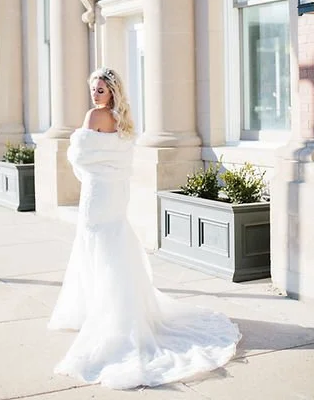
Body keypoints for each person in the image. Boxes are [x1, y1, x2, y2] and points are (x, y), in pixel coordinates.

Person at [48, 67, 241, 390]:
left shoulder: (94, 117)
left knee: (96, 243)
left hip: (97, 192)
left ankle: (104, 312)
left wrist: (86, 159)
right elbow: (119, 159)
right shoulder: (124, 122)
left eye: (100, 90)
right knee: (112, 242)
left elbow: (77, 155)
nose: (95, 94)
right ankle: (110, 306)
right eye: (93, 89)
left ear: (111, 93)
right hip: (115, 191)